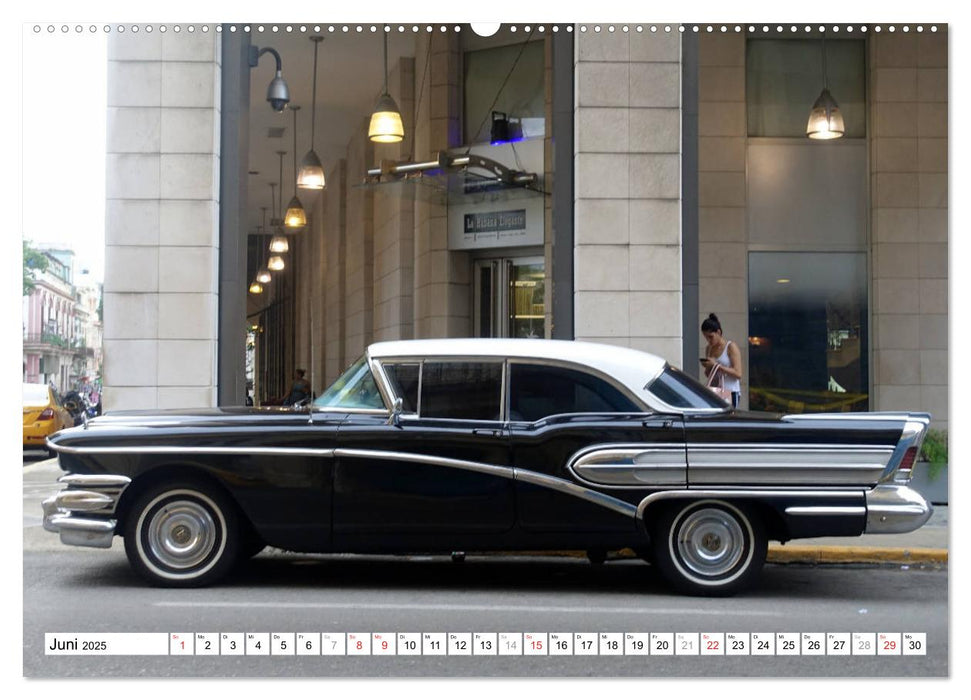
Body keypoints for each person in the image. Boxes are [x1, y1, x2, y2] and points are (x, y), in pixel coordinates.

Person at [700, 313, 742, 408]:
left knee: (728, 420)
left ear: (718, 332)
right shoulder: (709, 348)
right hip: (715, 391)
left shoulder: (730, 347)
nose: (709, 340)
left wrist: (717, 366)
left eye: (711, 337)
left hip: (730, 391)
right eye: (706, 337)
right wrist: (708, 366)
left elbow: (738, 373)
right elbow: (708, 374)